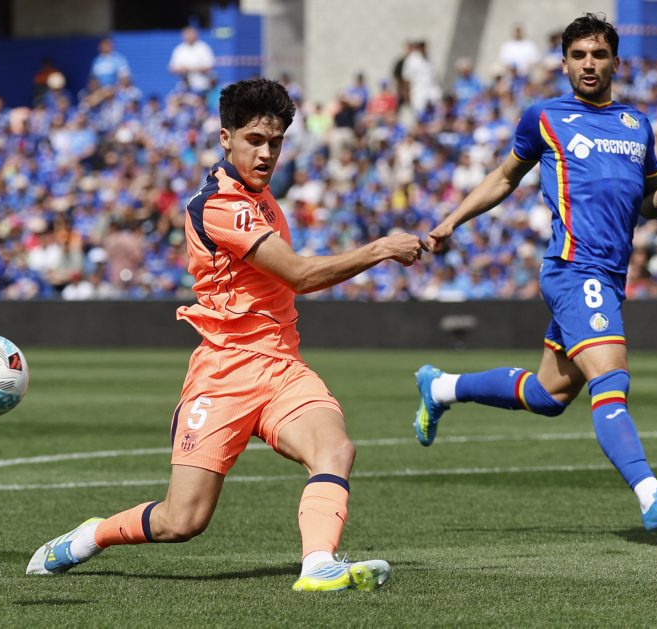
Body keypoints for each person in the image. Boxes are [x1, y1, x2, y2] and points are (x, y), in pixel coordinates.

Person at [27, 78, 425, 591]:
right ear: (225, 138)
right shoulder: (219, 204)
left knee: (335, 450)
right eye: (254, 140)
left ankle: (318, 564)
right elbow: (300, 276)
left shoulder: (264, 199)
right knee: (182, 521)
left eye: (275, 142)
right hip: (224, 374)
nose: (266, 154)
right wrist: (381, 249)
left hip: (282, 368)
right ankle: (92, 535)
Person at [411, 13, 657, 533]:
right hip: (575, 269)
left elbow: (644, 200)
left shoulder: (636, 124)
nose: (589, 64)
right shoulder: (545, 117)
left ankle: (440, 388)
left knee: (548, 396)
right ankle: (650, 494)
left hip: (609, 276)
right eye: (578, 56)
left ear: (616, 62)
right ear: (565, 64)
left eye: (599, 55)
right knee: (611, 377)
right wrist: (451, 221)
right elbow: (505, 177)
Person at [168, 26, 215, 95]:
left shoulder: (203, 47)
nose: (189, 37)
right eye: (187, 35)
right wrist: (182, 70)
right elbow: (172, 69)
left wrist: (195, 69)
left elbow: (210, 65)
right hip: (185, 86)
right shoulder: (179, 49)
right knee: (173, 99)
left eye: (191, 34)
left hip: (203, 85)